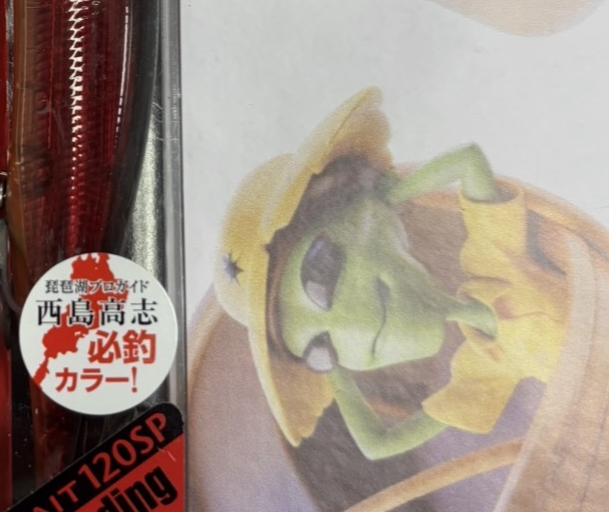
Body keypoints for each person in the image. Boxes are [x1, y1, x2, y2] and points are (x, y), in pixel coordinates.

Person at [214, 90, 567, 460]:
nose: (352, 324)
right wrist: (334, 371)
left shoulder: (494, 259)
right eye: (321, 347)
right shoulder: (483, 369)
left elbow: (469, 160)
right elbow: (377, 445)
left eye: (320, 276)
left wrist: (388, 196)